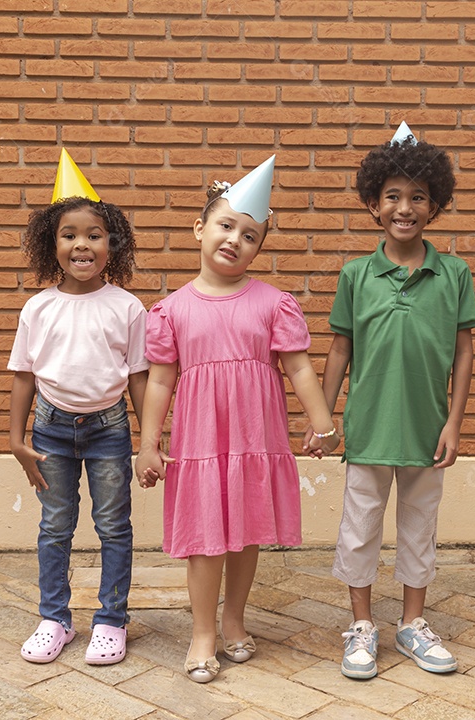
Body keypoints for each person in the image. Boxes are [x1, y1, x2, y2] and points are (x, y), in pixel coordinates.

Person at [135, 156, 341, 683]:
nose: (234, 240)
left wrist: (322, 422)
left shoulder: (274, 304)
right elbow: (160, 380)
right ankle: (202, 630)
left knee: (246, 529)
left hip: (254, 433)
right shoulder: (172, 310)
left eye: (250, 235)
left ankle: (233, 619)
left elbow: (297, 367)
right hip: (201, 439)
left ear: (258, 247)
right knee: (205, 535)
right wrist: (149, 443)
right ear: (200, 228)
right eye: (226, 226)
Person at [317, 123, 475, 680]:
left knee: (419, 526)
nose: (405, 207)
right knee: (360, 527)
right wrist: (324, 417)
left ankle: (412, 623)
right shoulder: (356, 274)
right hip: (369, 427)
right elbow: (340, 350)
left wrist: (453, 423)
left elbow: (463, 354)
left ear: (434, 205)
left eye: (417, 197)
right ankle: (361, 626)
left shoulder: (454, 273)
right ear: (373, 204)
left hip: (427, 427)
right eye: (392, 196)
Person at [8, 149, 148, 666]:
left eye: (94, 234)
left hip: (109, 430)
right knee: (55, 527)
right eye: (69, 234)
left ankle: (111, 620)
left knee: (114, 526)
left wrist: (150, 439)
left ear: (113, 244)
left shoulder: (128, 307)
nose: (81, 244)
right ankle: (55, 618)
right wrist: (16, 440)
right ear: (53, 244)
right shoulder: (38, 307)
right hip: (48, 430)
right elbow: (23, 374)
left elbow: (138, 377)